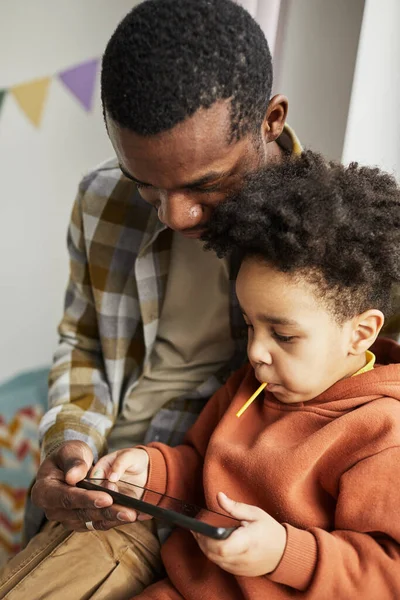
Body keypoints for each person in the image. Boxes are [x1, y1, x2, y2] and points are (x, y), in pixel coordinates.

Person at [0, 1, 302, 598]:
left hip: (225, 504)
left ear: (269, 120)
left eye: (205, 185)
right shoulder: (102, 200)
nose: (176, 215)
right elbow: (83, 339)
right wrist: (71, 445)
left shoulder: (337, 233)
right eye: (146, 184)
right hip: (112, 480)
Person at [96, 151, 400, 599]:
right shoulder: (249, 387)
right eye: (250, 325)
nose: (256, 351)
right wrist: (152, 470)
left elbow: (385, 574)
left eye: (283, 334)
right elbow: (200, 467)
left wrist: (285, 554)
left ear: (361, 333)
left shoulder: (382, 433)